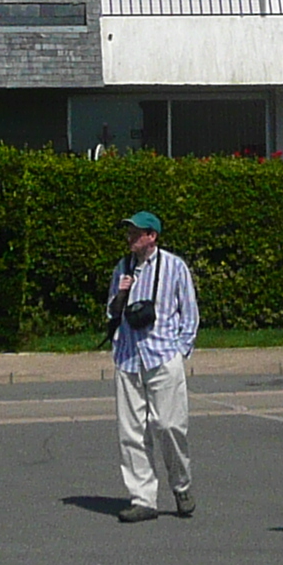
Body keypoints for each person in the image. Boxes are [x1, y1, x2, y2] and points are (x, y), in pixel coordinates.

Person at [105, 210, 198, 522]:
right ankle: (142, 498)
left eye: (136, 232)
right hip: (128, 358)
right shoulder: (123, 267)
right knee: (131, 432)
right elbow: (111, 311)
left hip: (162, 355)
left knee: (169, 426)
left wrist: (180, 350)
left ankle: (181, 485)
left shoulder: (174, 267)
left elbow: (190, 313)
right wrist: (121, 293)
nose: (130, 238)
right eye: (128, 232)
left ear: (152, 236)